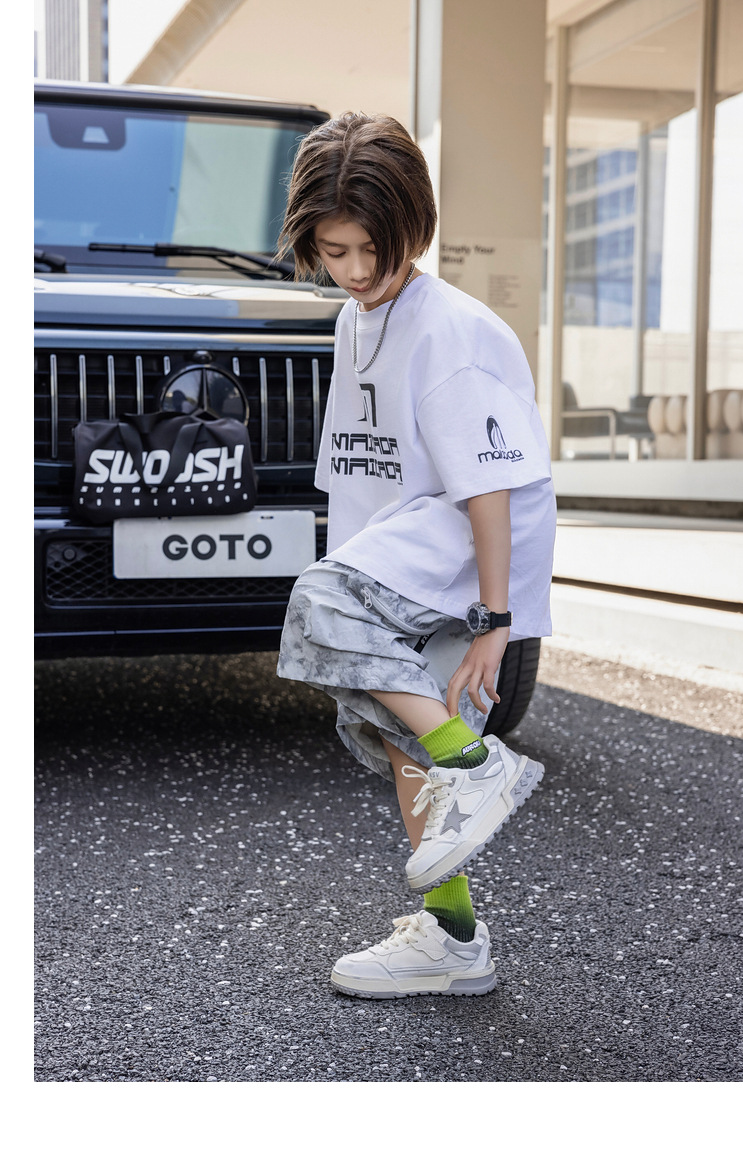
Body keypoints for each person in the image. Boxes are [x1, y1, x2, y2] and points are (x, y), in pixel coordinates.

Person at [276, 112, 556, 999]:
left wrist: (496, 620)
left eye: (374, 249)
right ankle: (453, 938)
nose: (357, 270)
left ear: (416, 226)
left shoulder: (452, 330)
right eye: (336, 251)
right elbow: (360, 472)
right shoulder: (355, 320)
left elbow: (490, 486)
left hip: (462, 542)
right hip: (404, 542)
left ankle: (479, 767)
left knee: (320, 602)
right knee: (402, 740)